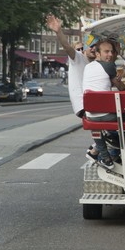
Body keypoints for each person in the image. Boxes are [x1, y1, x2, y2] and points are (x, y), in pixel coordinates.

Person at [83, 38, 125, 171]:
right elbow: (121, 87)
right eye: (106, 52)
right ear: (98, 54)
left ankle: (106, 158)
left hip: (90, 115)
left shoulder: (87, 67)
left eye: (111, 51)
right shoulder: (109, 66)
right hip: (106, 115)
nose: (110, 54)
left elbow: (103, 82)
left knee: (97, 124)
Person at [46, 14, 99, 160]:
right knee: (104, 123)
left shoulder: (97, 64)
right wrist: (58, 31)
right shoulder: (78, 58)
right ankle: (96, 150)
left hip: (94, 102)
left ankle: (99, 149)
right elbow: (67, 46)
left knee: (109, 125)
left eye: (96, 46)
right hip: (82, 102)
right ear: (85, 48)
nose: (94, 49)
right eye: (91, 46)